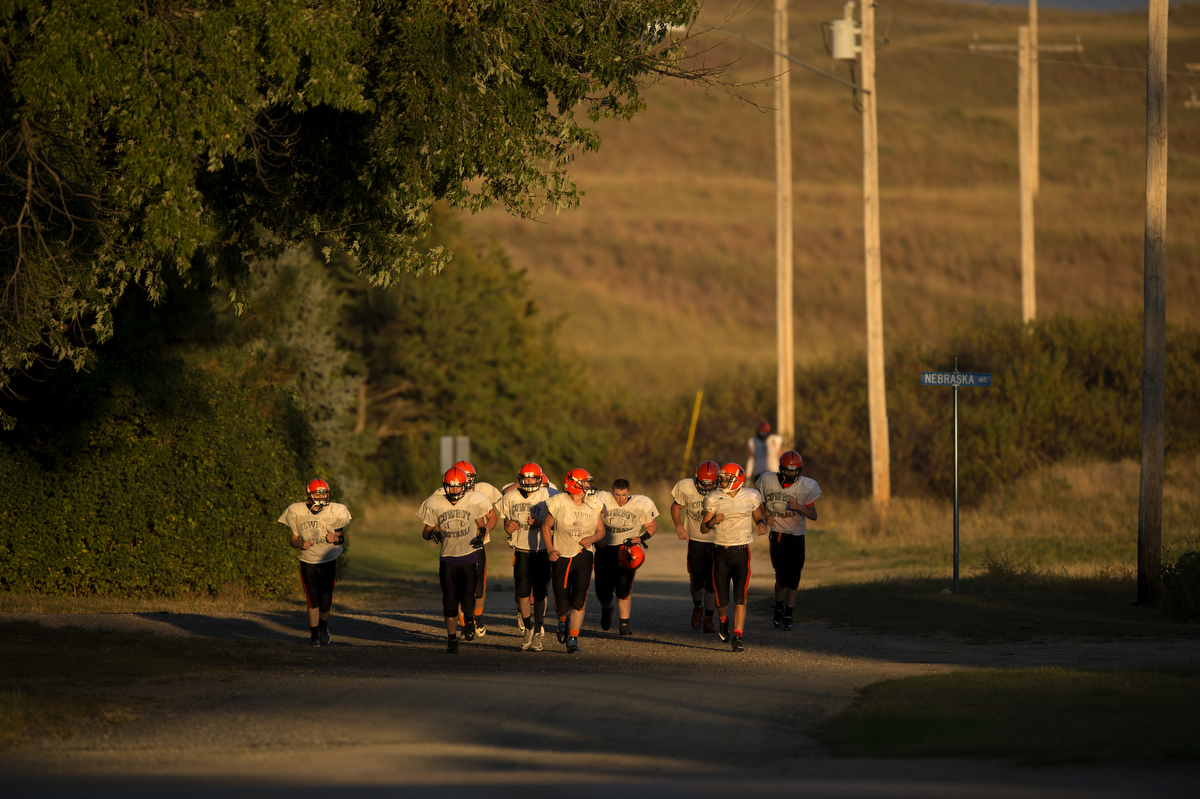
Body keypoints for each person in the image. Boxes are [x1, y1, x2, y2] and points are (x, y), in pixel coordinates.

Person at [419, 466, 492, 653]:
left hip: (468, 556)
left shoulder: (474, 499)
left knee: (469, 598)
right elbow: (426, 530)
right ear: (445, 487)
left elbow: (481, 523)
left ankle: (469, 620)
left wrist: (482, 532)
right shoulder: (435, 502)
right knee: (449, 601)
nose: (454, 491)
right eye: (450, 487)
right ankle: (451, 640)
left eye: (457, 487)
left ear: (464, 486)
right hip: (447, 559)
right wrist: (430, 534)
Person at [701, 462, 767, 653]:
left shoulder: (751, 495)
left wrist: (761, 523)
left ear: (737, 479)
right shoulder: (714, 497)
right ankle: (723, 620)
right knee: (721, 599)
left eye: (725, 478)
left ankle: (738, 636)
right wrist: (712, 521)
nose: (721, 481)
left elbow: (758, 515)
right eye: (720, 478)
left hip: (741, 551)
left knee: (740, 596)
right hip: (720, 551)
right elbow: (703, 528)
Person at [277, 478, 351, 647]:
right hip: (308, 562)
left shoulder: (336, 510)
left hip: (328, 560)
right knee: (312, 599)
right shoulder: (296, 511)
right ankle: (314, 636)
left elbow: (341, 538)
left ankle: (323, 626)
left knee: (326, 600)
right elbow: (293, 540)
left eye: (324, 493)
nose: (322, 496)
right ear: (310, 495)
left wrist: (336, 538)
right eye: (318, 493)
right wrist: (300, 544)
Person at [542, 468, 607, 654]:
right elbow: (546, 526)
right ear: (573, 484)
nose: (588, 485)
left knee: (579, 599)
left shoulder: (593, 503)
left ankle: (573, 638)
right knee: (562, 601)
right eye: (585, 482)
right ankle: (562, 621)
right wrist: (549, 549)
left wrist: (592, 539)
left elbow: (601, 530)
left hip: (583, 554)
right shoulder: (558, 501)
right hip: (561, 554)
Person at [495, 462, 557, 651]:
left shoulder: (550, 496)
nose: (529, 481)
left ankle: (538, 630)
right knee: (522, 593)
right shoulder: (510, 497)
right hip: (521, 549)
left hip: (541, 550)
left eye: (533, 477)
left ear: (540, 479)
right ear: (520, 478)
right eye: (526, 477)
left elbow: (560, 523)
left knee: (539, 594)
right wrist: (507, 525)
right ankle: (528, 629)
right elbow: (506, 520)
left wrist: (542, 523)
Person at [756, 450, 820, 630]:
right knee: (783, 576)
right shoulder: (767, 481)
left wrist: (800, 507)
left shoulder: (806, 486)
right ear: (780, 469)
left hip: (797, 536)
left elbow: (814, 515)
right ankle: (778, 608)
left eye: (794, 470)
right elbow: (758, 501)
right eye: (788, 470)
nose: (791, 473)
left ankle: (788, 613)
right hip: (778, 534)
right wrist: (764, 515)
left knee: (794, 579)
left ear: (799, 470)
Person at [592, 478, 658, 636]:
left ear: (629, 492)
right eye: (617, 495)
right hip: (604, 549)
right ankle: (606, 611)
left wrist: (641, 539)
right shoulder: (602, 499)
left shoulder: (641, 502)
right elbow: (588, 517)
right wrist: (597, 537)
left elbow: (652, 525)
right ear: (612, 492)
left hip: (626, 551)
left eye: (623, 495)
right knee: (603, 591)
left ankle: (624, 625)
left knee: (624, 589)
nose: (620, 498)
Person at [670, 461, 720, 633]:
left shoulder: (723, 492)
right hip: (696, 541)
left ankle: (709, 618)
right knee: (697, 582)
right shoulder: (686, 486)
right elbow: (676, 507)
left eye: (709, 484)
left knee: (712, 584)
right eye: (702, 484)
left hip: (716, 542)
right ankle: (698, 608)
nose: (706, 488)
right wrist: (679, 527)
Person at [452, 460, 500, 637]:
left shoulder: (482, 492)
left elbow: (493, 514)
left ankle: (477, 617)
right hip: (455, 546)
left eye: (470, 477)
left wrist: (485, 530)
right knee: (460, 588)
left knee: (479, 587)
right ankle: (465, 625)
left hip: (477, 544)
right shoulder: (445, 494)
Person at [745, 420, 784, 484]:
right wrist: (748, 476)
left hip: (773, 473)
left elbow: (780, 456)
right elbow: (751, 459)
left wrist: (783, 471)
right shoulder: (753, 441)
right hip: (760, 474)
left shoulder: (775, 439)